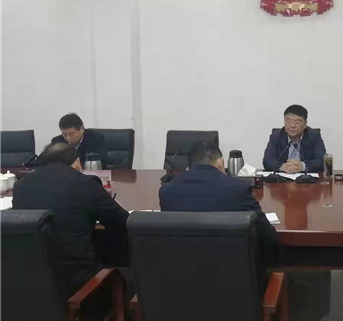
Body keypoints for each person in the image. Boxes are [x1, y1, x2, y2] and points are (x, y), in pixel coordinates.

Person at [12, 143, 129, 297]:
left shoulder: (21, 185)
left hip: (32, 278)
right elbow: (122, 222)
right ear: (77, 162)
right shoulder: (85, 183)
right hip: (76, 280)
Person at [159, 142, 280, 278]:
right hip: (235, 279)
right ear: (221, 162)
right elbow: (266, 236)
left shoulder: (167, 191)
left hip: (181, 278)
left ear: (188, 167)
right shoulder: (238, 189)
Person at [263, 104, 326, 173]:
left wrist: (302, 166)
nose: (292, 125)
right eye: (288, 122)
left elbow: (322, 161)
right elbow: (267, 161)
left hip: (306, 178)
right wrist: (282, 166)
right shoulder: (276, 136)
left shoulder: (314, 136)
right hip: (282, 178)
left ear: (305, 124)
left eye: (297, 122)